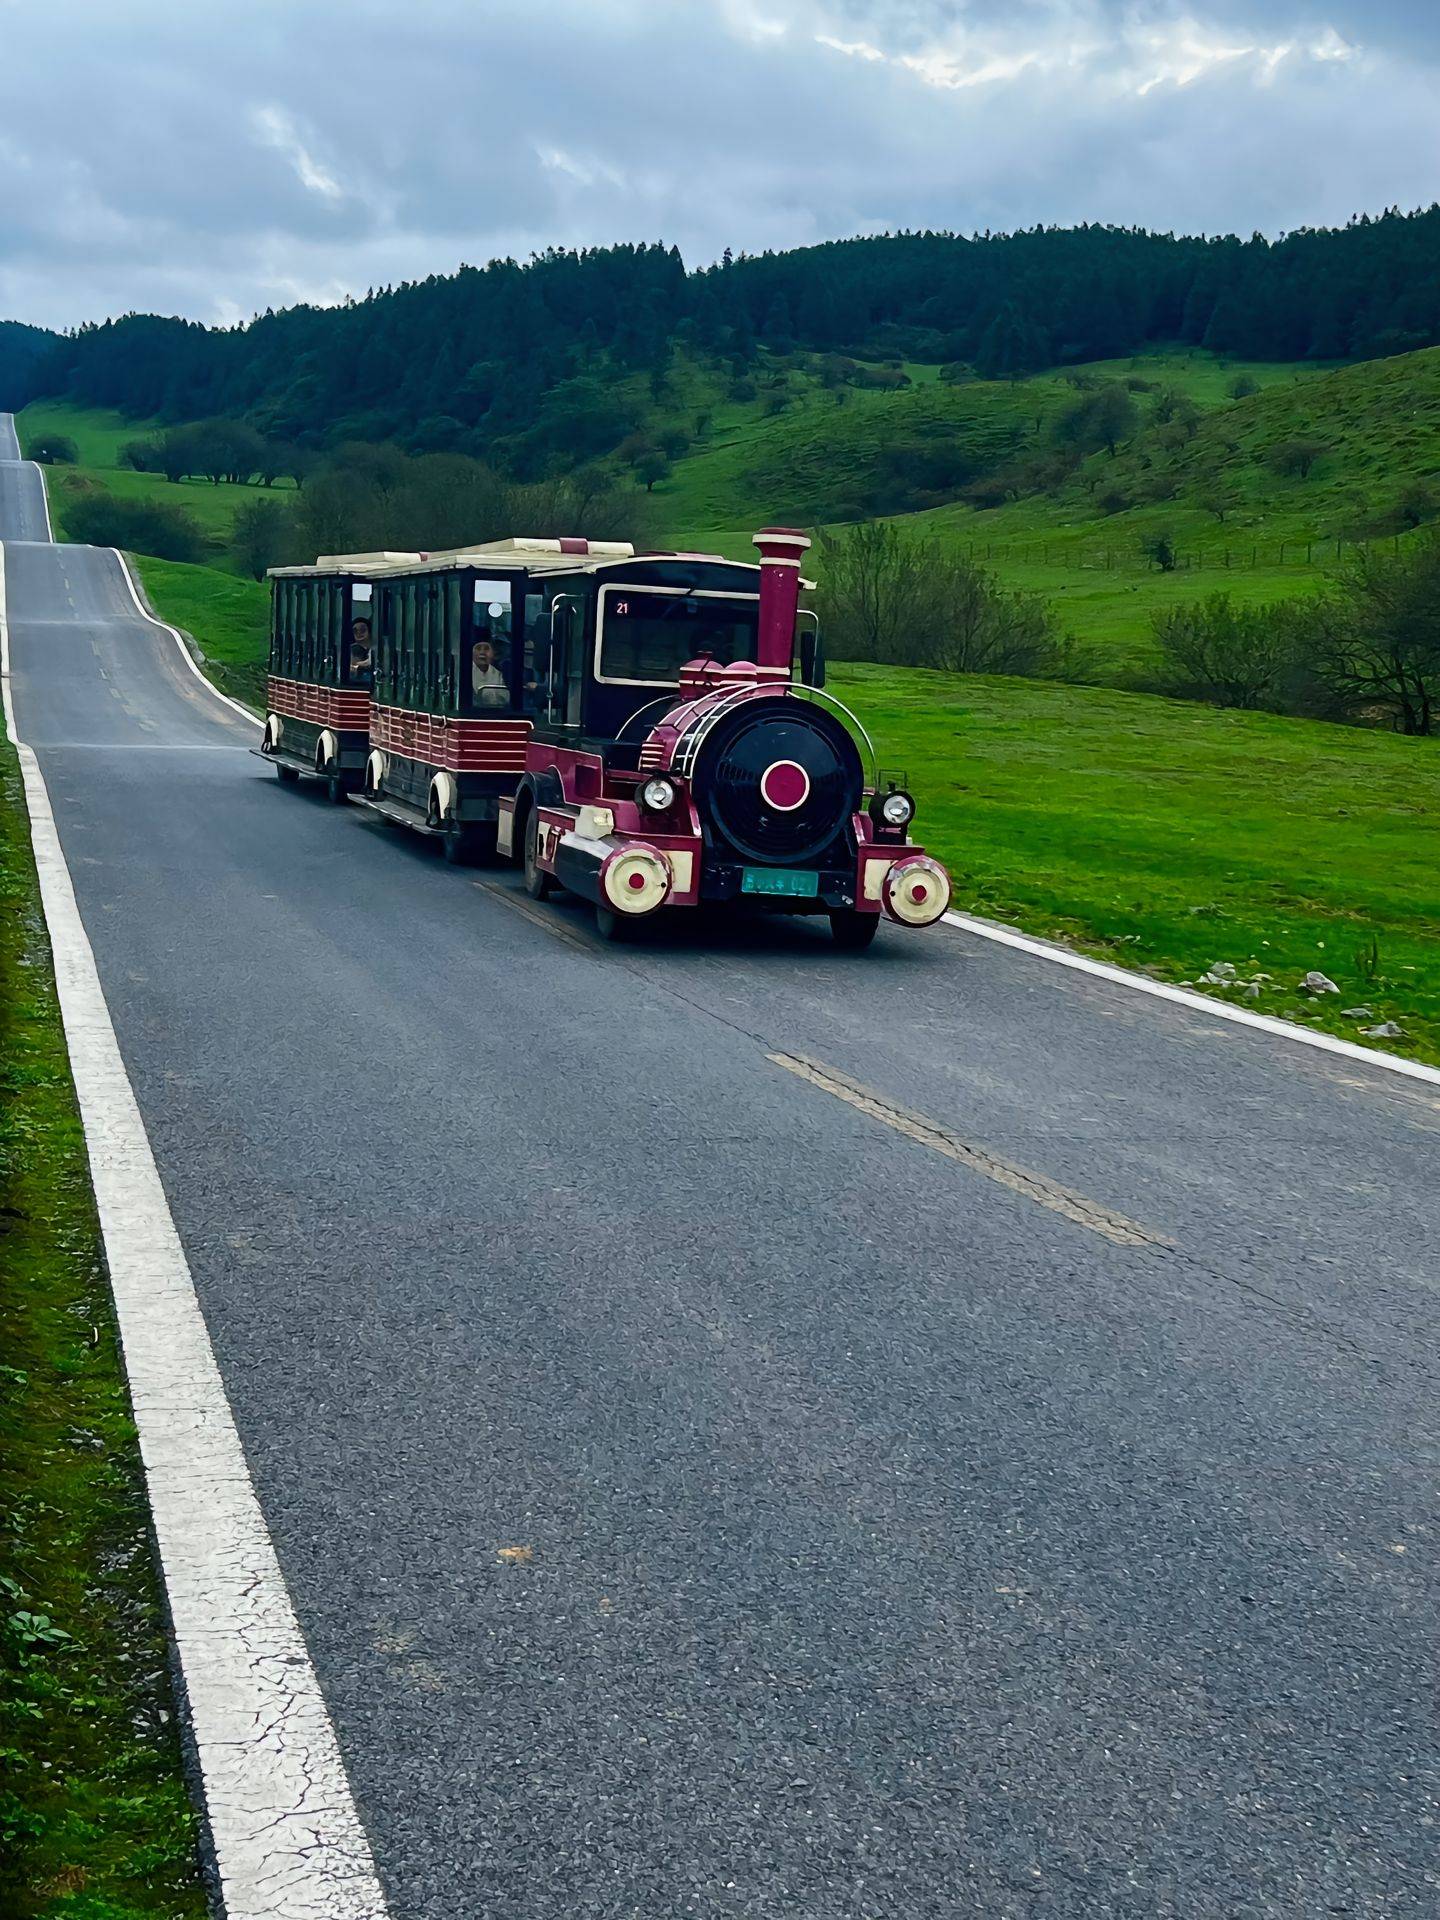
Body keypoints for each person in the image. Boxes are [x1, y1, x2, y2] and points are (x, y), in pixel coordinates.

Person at [471, 635, 509, 708]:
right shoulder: (465, 673)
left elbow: (505, 699)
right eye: (478, 649)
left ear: (493, 653)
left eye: (486, 649)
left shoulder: (498, 674)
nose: (482, 652)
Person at [349, 617, 373, 685]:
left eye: (362, 630)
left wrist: (356, 666)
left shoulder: (377, 648)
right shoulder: (351, 649)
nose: (359, 633)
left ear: (370, 631)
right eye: (355, 631)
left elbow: (371, 663)